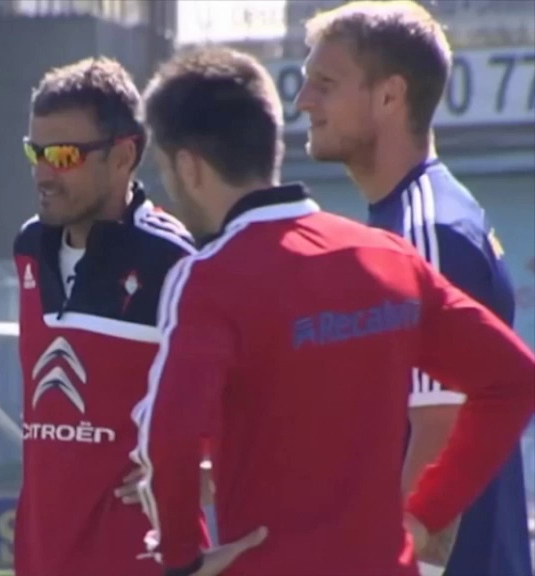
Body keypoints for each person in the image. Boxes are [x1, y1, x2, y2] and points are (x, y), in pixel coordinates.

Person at [131, 45, 535, 576]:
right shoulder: (386, 256)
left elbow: (169, 438)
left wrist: (183, 558)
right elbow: (515, 379)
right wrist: (426, 513)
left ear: (188, 166)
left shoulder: (210, 278)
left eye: (164, 168)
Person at [295, 2, 534, 573]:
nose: (303, 100)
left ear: (389, 96)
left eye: (324, 84)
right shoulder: (411, 217)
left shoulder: (425, 230)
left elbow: (437, 431)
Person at [13, 57, 196, 576]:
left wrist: (203, 468)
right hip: (39, 559)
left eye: (63, 156)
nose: (43, 173)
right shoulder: (28, 246)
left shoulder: (175, 261)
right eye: (35, 152)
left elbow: (246, 395)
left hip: (139, 559)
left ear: (123, 156)